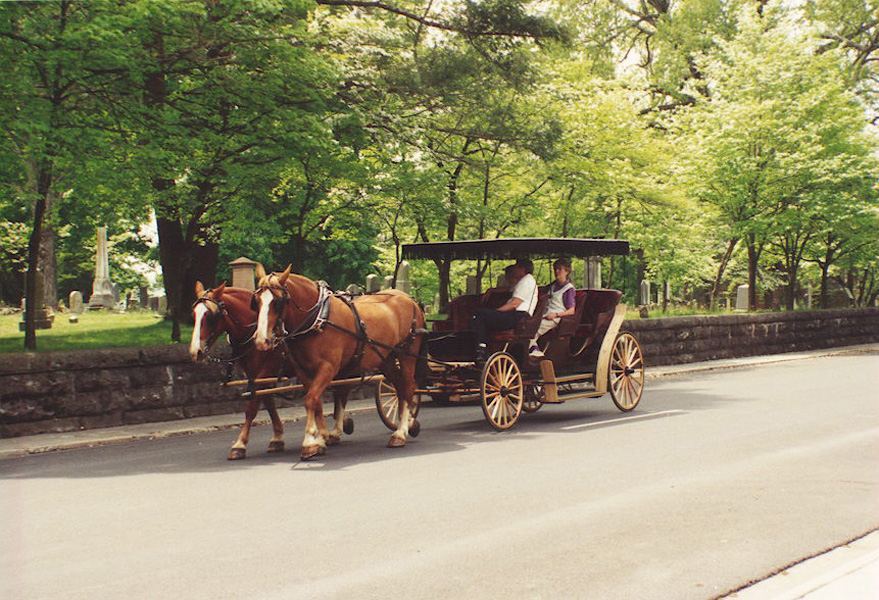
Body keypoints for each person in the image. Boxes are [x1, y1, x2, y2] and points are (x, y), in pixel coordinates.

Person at [472, 258, 538, 361]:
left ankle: (482, 348)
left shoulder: (527, 281)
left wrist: (496, 312)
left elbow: (514, 304)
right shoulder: (524, 281)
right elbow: (509, 289)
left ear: (522, 269)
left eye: (516, 267)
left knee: (480, 313)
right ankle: (483, 346)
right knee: (481, 315)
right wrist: (492, 290)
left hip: (519, 316)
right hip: (516, 315)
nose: (514, 269)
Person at [528, 257, 576, 358]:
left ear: (567, 271)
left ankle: (534, 350)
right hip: (545, 315)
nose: (556, 272)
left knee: (532, 329)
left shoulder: (569, 289)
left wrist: (556, 315)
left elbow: (571, 310)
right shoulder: (553, 286)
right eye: (555, 269)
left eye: (559, 269)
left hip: (556, 318)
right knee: (527, 324)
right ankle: (534, 349)